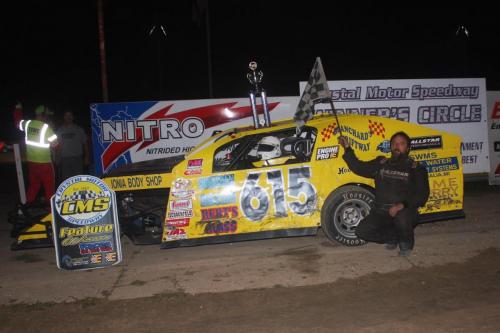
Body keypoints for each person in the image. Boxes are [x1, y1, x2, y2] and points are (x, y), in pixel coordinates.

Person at [338, 131, 430, 257]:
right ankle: (393, 237)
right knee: (362, 231)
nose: (397, 146)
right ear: (391, 147)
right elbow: (358, 167)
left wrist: (401, 205)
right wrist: (347, 148)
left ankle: (406, 242)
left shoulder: (416, 168)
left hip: (405, 211)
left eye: (401, 144)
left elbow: (422, 195)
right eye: (394, 143)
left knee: (402, 218)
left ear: (408, 148)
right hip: (381, 211)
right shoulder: (381, 163)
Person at [15, 103, 58, 205]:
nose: (48, 117)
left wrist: (18, 109)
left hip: (31, 162)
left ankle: (26, 207)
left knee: (34, 185)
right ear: (43, 115)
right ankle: (51, 212)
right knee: (49, 187)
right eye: (47, 115)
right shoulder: (46, 128)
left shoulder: (28, 124)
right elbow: (55, 145)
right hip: (45, 163)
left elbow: (17, 122)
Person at [55, 111, 90, 181]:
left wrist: (87, 157)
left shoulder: (79, 129)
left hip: (77, 159)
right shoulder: (59, 130)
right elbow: (57, 145)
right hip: (64, 160)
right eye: (66, 115)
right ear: (64, 117)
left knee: (79, 180)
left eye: (70, 115)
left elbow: (85, 144)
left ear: (73, 117)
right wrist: (57, 158)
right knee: (66, 181)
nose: (68, 117)